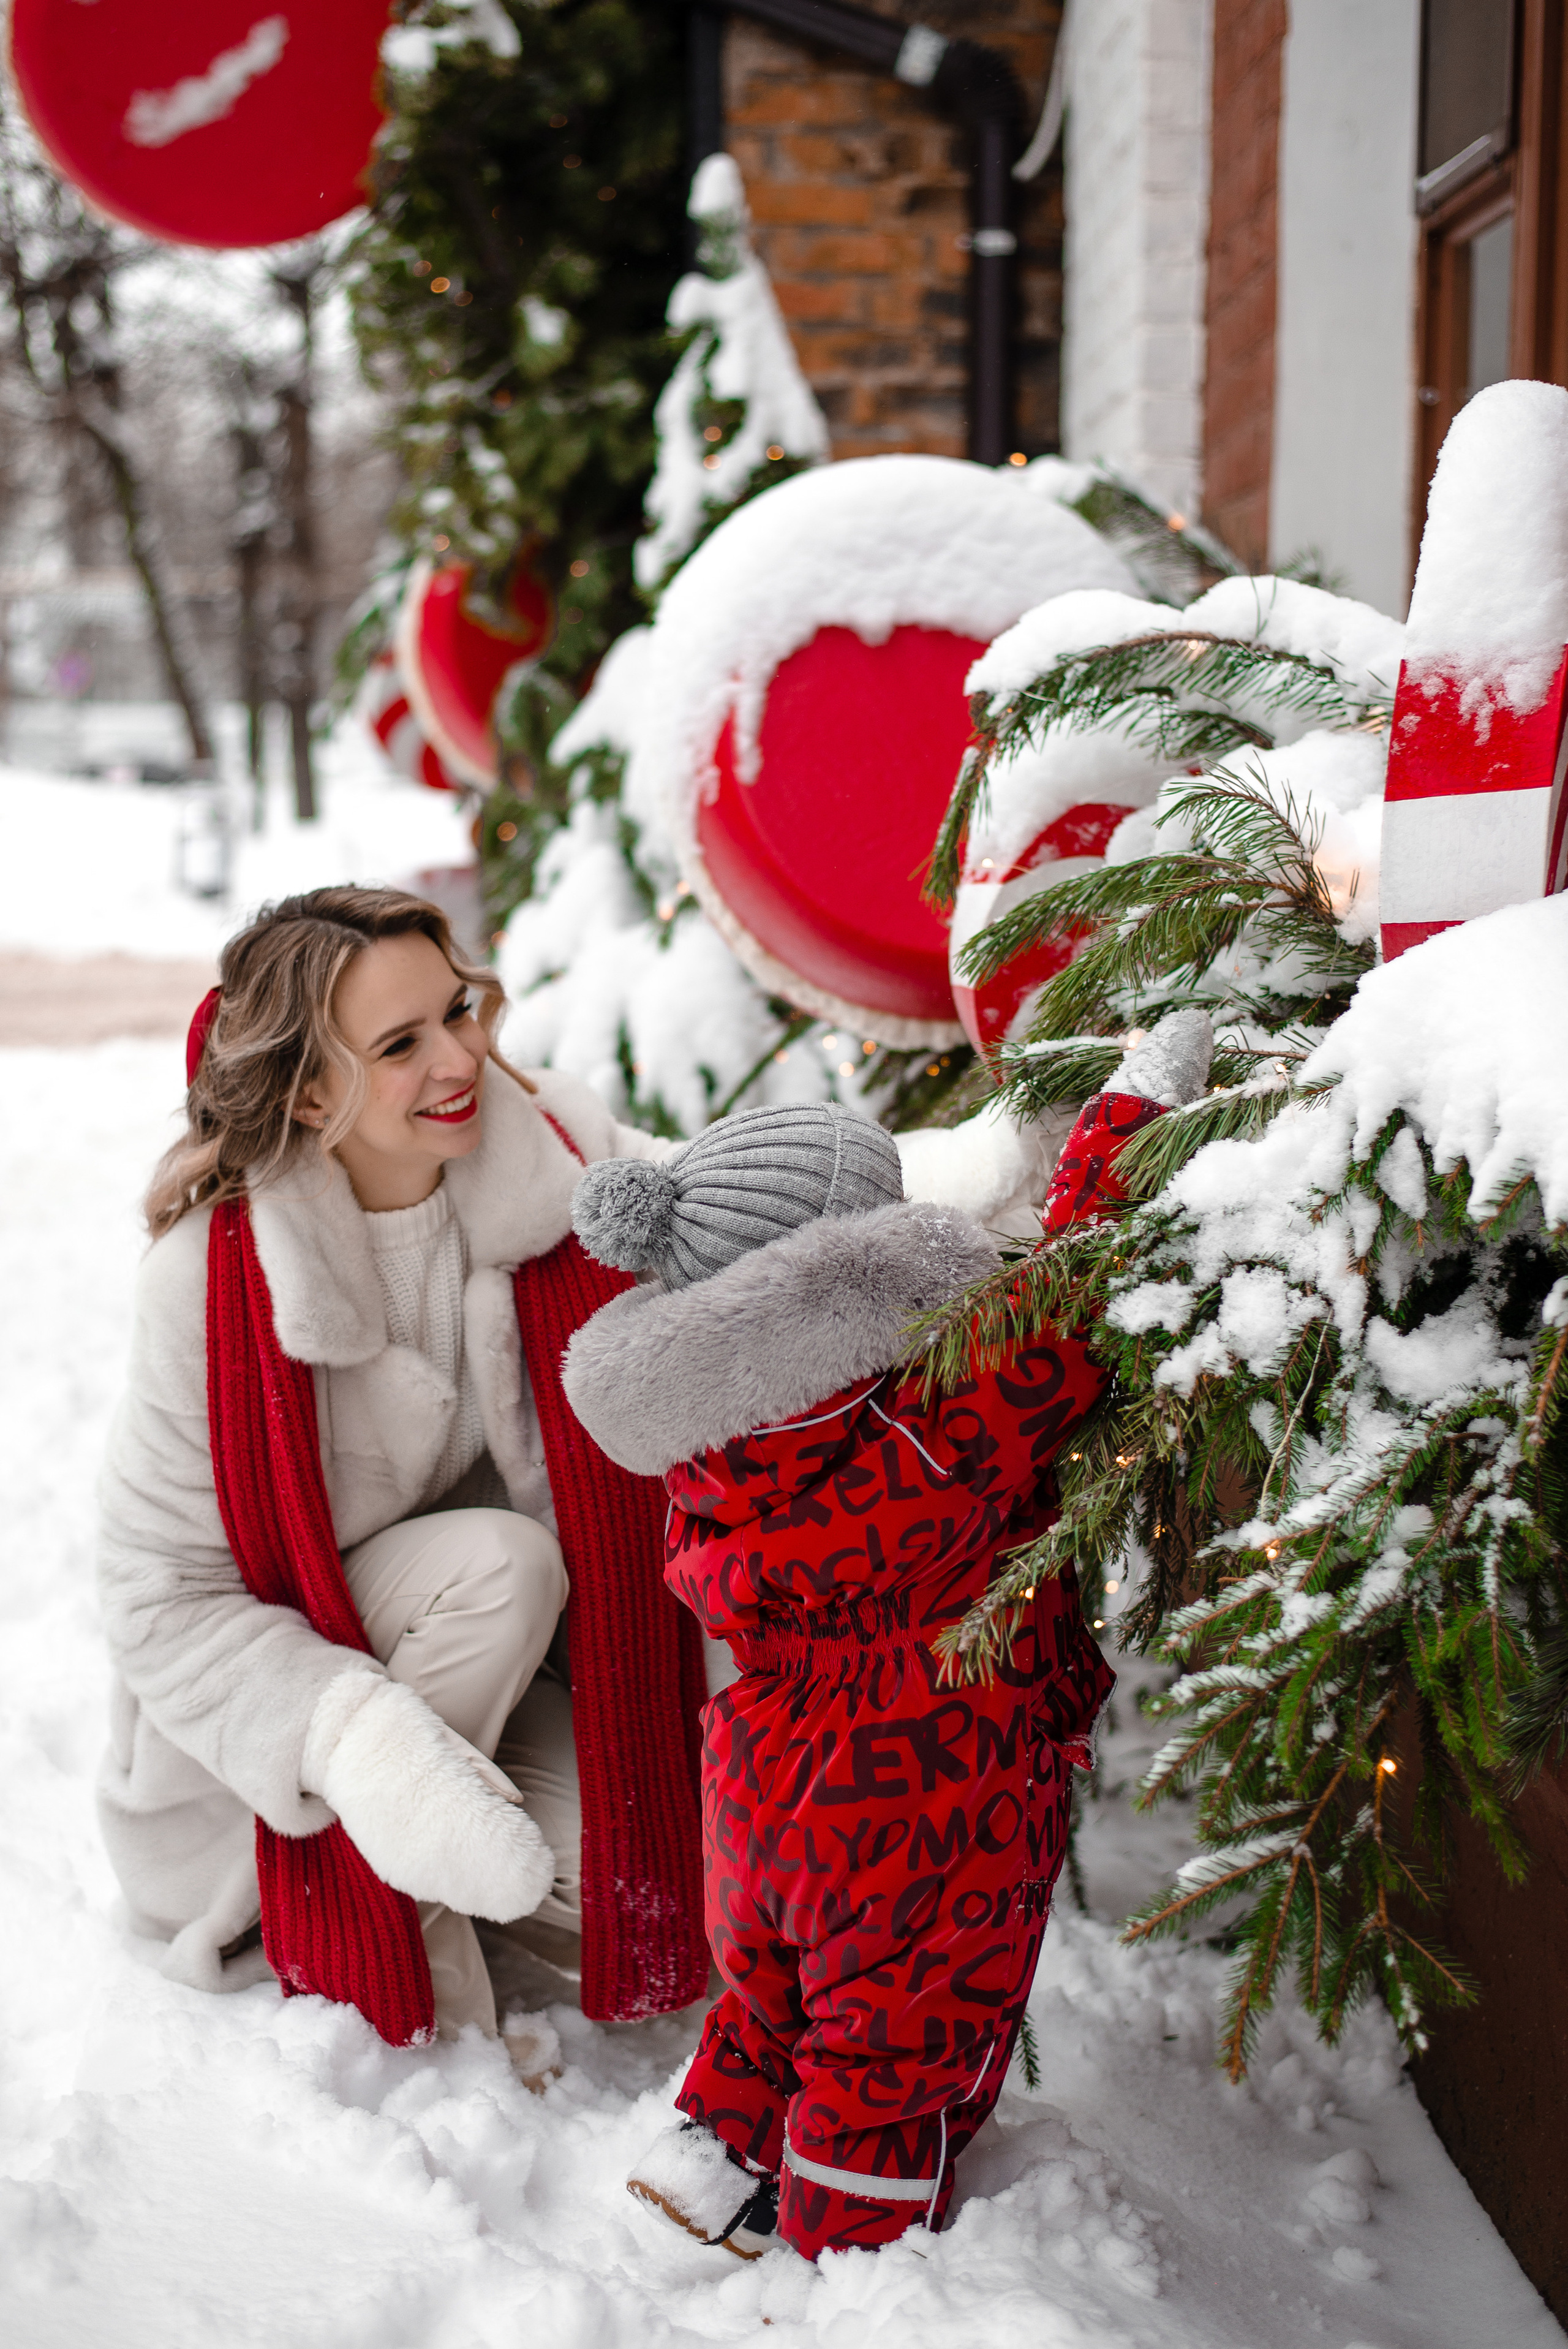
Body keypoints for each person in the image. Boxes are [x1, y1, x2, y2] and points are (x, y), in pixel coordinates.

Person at [97, 883, 1057, 2049]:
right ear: (308, 1090)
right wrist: (365, 1751)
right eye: (402, 1045)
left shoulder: (540, 1141)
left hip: (498, 1666)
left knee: (681, 1887)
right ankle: (406, 1964)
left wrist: (1013, 1161)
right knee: (499, 1563)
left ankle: (464, 1848)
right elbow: (159, 1596)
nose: (461, 1059)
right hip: (279, 1742)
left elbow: (747, 1215)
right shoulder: (208, 1280)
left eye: (458, 1011)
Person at [559, 1012, 1212, 2260]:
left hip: (757, 1775)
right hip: (920, 1778)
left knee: (771, 2004)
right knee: (897, 2046)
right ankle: (852, 2260)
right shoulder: (937, 1414)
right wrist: (1135, 1102)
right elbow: (1080, 1289)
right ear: (863, 1269)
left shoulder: (719, 1450)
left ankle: (711, 2161)